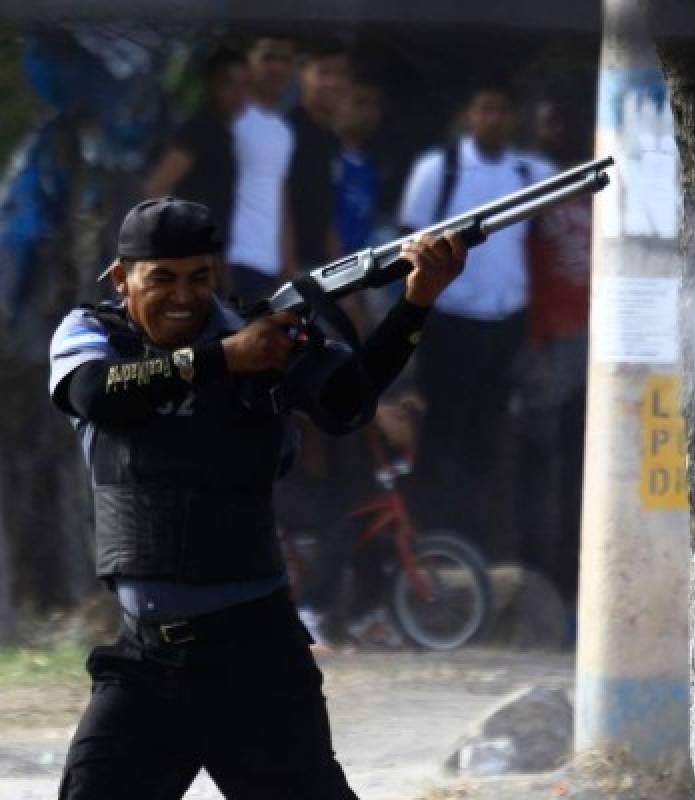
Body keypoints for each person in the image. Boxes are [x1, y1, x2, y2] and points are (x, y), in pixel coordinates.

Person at [49, 196, 466, 798]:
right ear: (122, 279)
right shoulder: (93, 334)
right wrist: (222, 359)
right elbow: (95, 396)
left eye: (198, 278)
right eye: (161, 279)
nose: (183, 297)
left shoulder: (262, 332)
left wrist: (417, 300)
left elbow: (347, 402)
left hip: (258, 658)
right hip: (149, 658)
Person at [396, 81, 553, 556]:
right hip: (447, 321)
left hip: (505, 323)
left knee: (486, 437)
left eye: (503, 110)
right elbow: (408, 244)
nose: (495, 118)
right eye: (486, 109)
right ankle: (432, 540)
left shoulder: (532, 173)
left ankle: (473, 546)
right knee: (441, 432)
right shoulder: (436, 170)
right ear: (469, 115)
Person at [515, 97, 592, 613]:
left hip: (600, 348)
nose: (552, 133)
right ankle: (535, 576)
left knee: (583, 471)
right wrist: (533, 344)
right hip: (549, 344)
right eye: (545, 123)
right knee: (541, 468)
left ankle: (575, 577)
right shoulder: (533, 197)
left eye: (560, 122)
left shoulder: (603, 194)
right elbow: (524, 275)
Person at [143, 47, 250, 243]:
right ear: (212, 85)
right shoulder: (199, 129)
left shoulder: (227, 133)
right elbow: (157, 187)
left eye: (245, 85)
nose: (238, 94)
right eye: (229, 84)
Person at [226, 35, 296, 305]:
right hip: (231, 261)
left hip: (268, 268)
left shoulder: (283, 132)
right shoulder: (231, 120)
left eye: (285, 60)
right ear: (249, 62)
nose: (277, 68)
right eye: (269, 58)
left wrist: (287, 268)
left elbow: (281, 197)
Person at [288, 39, 350, 270]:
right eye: (323, 72)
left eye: (341, 73)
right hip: (287, 271)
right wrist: (288, 273)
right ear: (302, 75)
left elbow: (327, 212)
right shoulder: (288, 133)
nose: (333, 82)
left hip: (320, 269)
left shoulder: (332, 140)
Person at [334, 71, 384, 254]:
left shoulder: (372, 167)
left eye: (374, 105)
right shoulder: (326, 158)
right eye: (359, 103)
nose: (368, 113)